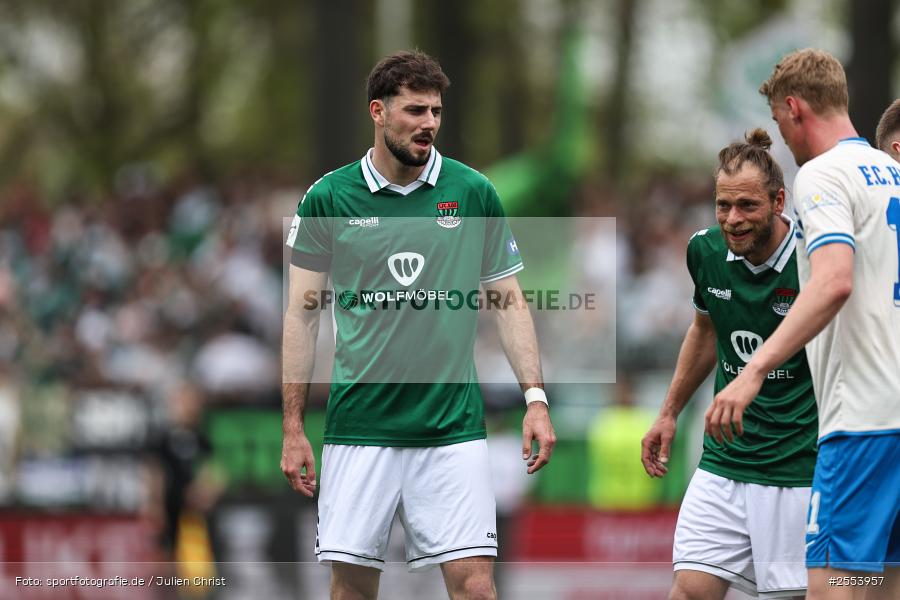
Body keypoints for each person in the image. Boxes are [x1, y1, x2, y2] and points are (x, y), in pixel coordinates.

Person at [280, 50, 556, 600]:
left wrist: (535, 397)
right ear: (378, 112)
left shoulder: (473, 192)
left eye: (435, 111)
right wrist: (292, 426)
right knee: (352, 588)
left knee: (477, 587)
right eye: (414, 110)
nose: (429, 123)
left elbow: (509, 301)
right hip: (360, 429)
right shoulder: (329, 197)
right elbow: (301, 316)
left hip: (450, 428)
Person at [707, 48, 900, 600]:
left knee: (833, 591)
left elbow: (834, 280)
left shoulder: (822, 175)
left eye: (777, 121)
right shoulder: (893, 172)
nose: (782, 138)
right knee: (882, 591)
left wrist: (754, 369)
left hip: (861, 426)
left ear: (793, 108)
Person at [641, 128, 817, 600]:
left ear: (779, 201)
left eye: (747, 206)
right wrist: (669, 412)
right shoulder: (705, 252)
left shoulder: (816, 259)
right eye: (723, 206)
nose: (732, 220)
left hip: (797, 467)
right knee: (688, 591)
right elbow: (704, 330)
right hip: (724, 460)